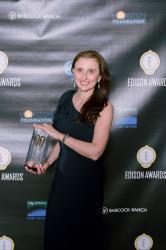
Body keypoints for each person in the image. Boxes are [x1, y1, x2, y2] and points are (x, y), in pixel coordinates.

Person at [25, 50, 113, 250]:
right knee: (56, 240)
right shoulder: (65, 98)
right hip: (62, 184)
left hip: (86, 186)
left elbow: (96, 152)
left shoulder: (104, 107)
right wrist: (46, 163)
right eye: (79, 70)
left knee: (82, 241)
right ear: (73, 72)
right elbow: (61, 143)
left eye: (90, 71)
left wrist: (60, 136)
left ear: (99, 77)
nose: (84, 76)